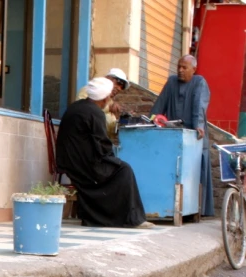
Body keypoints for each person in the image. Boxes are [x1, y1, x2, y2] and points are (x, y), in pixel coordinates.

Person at [56, 77, 153, 229]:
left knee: (118, 167)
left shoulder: (76, 107)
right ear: (105, 97)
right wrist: (113, 159)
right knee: (124, 170)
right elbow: (102, 145)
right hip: (84, 165)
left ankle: (104, 216)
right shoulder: (95, 113)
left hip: (70, 162)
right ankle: (131, 218)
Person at [150, 55, 213, 216]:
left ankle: (197, 210)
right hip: (173, 136)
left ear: (194, 69)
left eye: (184, 67)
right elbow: (159, 106)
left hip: (194, 136)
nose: (180, 70)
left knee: (194, 172)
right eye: (179, 66)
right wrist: (152, 121)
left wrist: (198, 125)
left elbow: (199, 106)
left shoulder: (199, 82)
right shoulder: (171, 82)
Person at [77, 68, 130, 141]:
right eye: (118, 82)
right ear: (108, 78)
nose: (119, 88)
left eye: (122, 87)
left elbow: (111, 127)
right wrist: (108, 108)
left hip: (100, 144)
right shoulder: (89, 90)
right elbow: (83, 110)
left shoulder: (110, 102)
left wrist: (123, 121)